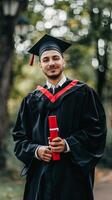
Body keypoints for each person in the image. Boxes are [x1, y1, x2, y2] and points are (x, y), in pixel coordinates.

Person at [12, 34, 107, 200]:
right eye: (46, 60)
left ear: (64, 61)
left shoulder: (83, 93)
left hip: (73, 178)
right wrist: (36, 150)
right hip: (40, 179)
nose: (51, 63)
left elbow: (97, 131)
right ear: (40, 65)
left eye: (55, 58)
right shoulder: (31, 100)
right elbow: (19, 140)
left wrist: (68, 144)